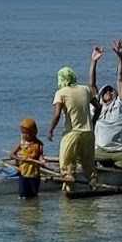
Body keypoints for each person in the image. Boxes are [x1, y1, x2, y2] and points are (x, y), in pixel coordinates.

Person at [89, 39, 122, 187]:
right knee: (83, 155)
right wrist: (94, 61)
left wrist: (119, 56)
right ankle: (93, 181)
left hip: (120, 152)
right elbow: (91, 84)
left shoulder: (120, 106)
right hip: (100, 151)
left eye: (111, 90)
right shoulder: (97, 107)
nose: (109, 91)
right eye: (105, 91)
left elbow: (120, 79)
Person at [47, 61, 100, 189]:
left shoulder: (61, 93)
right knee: (89, 165)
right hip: (88, 133)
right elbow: (98, 107)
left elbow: (57, 114)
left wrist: (50, 130)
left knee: (66, 165)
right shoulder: (85, 89)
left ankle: (69, 192)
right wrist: (92, 122)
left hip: (72, 134)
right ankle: (95, 187)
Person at [9, 117, 45, 199]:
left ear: (33, 132)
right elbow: (12, 154)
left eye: (27, 133)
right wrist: (21, 159)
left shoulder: (39, 144)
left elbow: (40, 156)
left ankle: (33, 209)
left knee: (33, 196)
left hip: (34, 175)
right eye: (23, 133)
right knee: (23, 196)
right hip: (24, 174)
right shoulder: (21, 143)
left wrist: (42, 160)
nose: (24, 135)